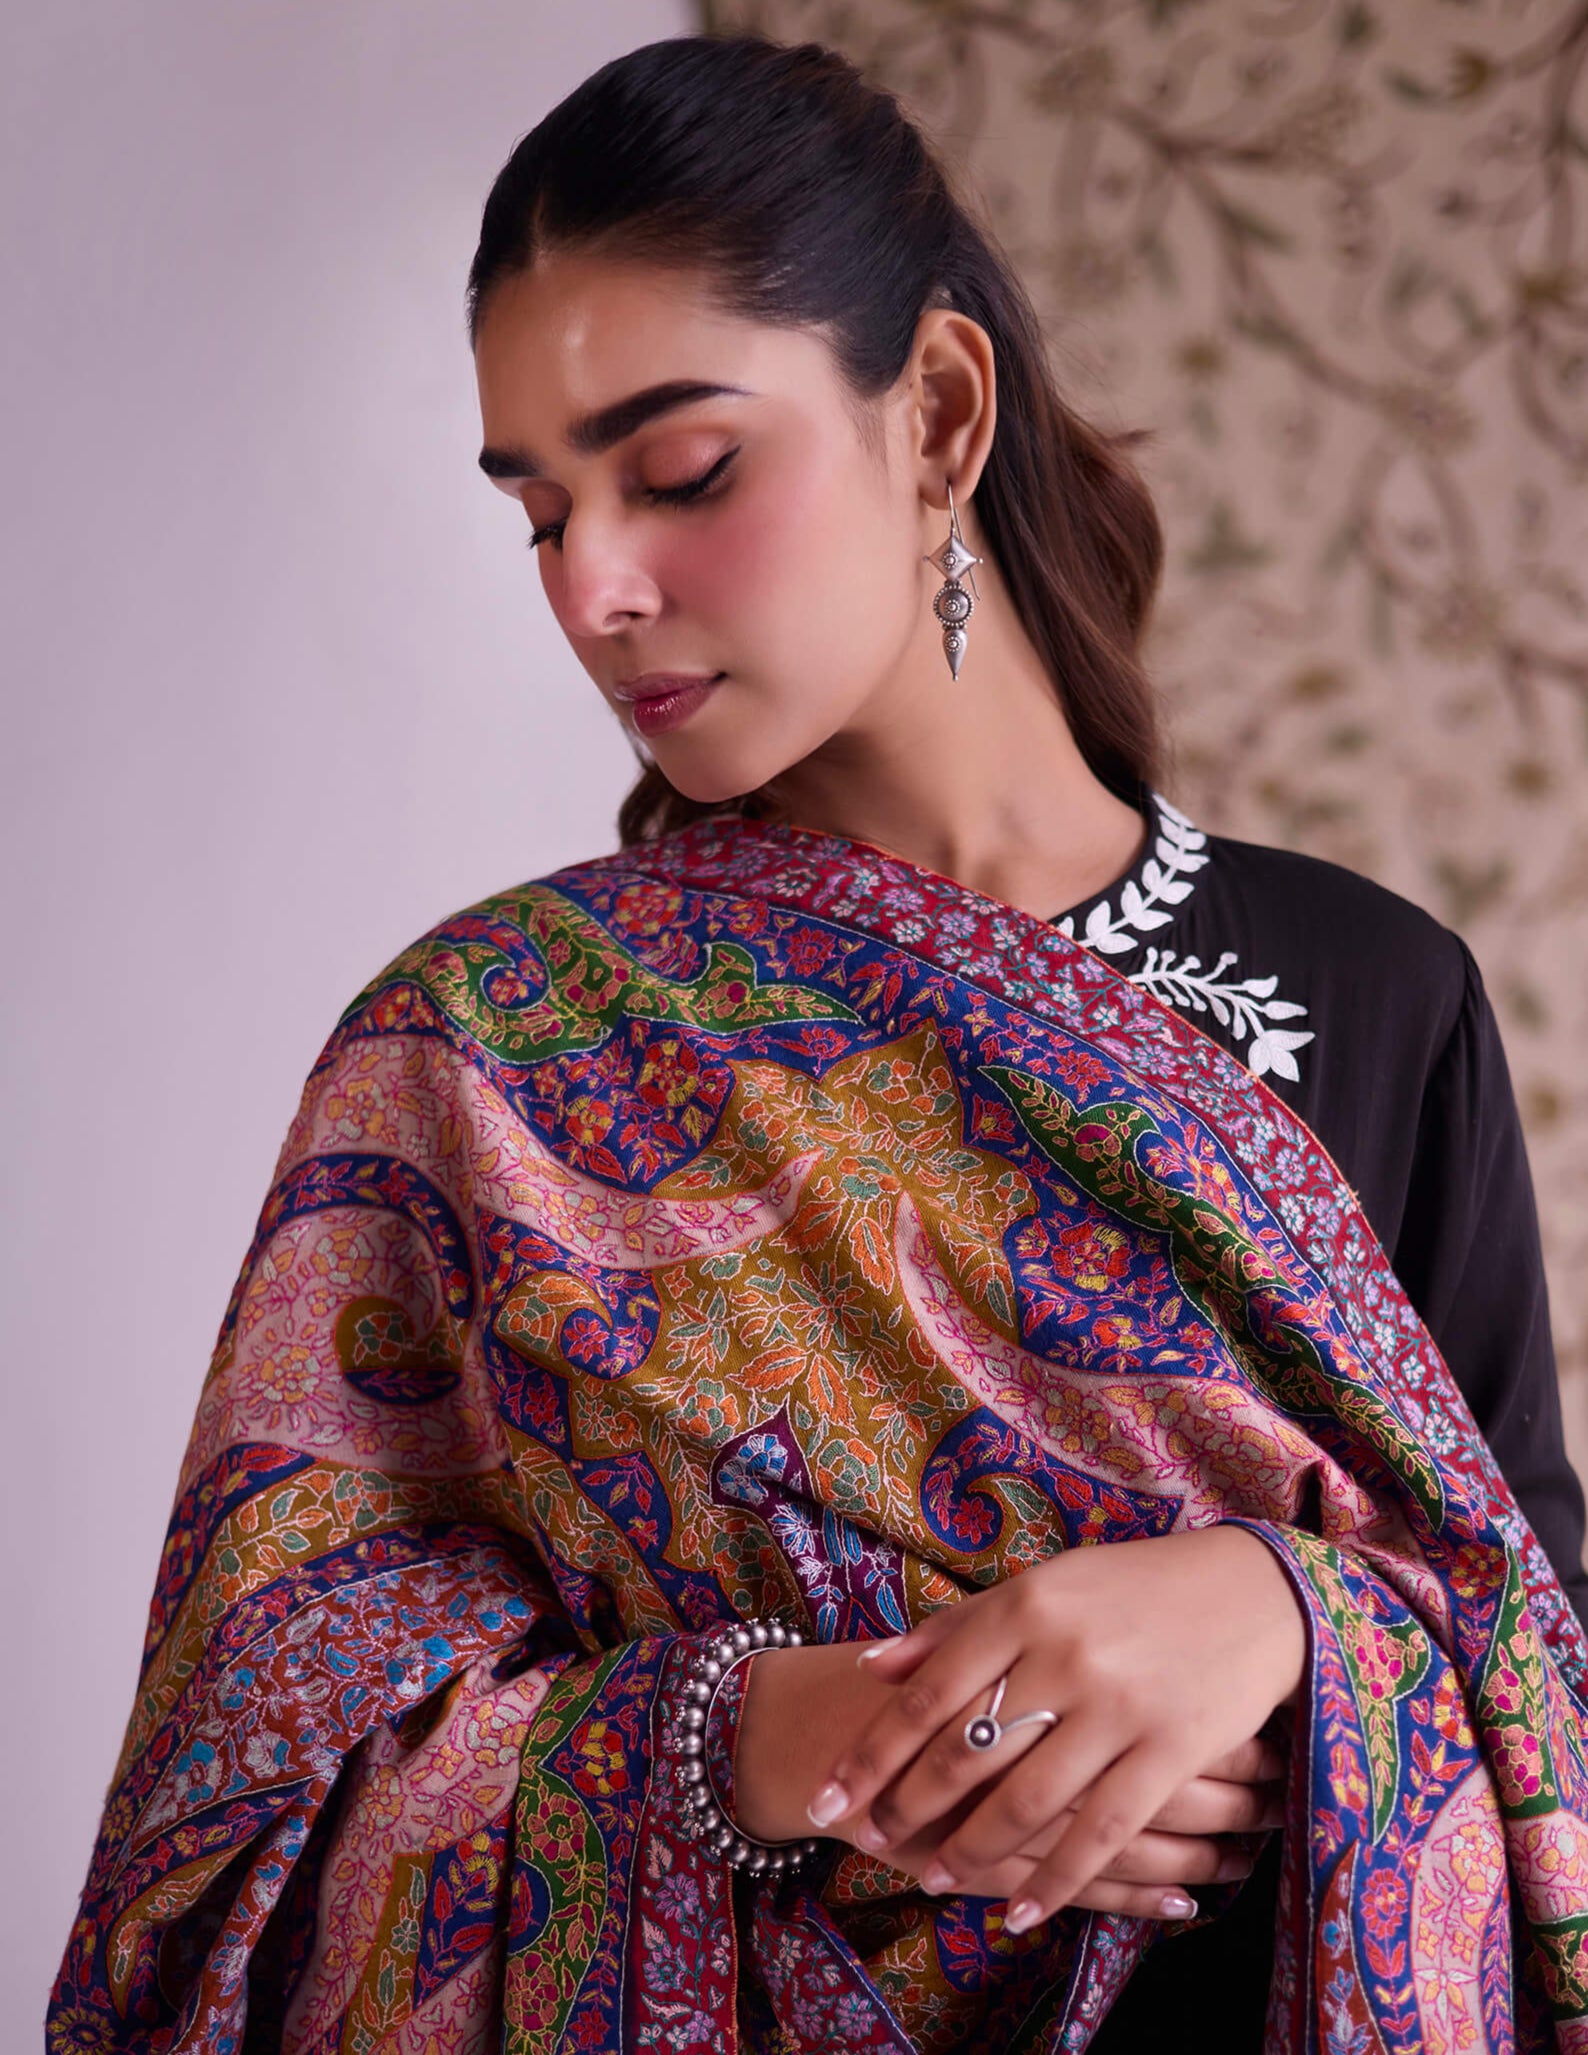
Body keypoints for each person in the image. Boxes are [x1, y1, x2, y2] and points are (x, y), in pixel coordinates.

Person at [49, 31, 1588, 2055]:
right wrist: (765, 1739)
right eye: (539, 514)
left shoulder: (1376, 989)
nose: (595, 588)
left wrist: (1275, 1611)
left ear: (936, 410)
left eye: (681, 472)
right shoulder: (480, 1061)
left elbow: (1538, 1666)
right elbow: (232, 1838)